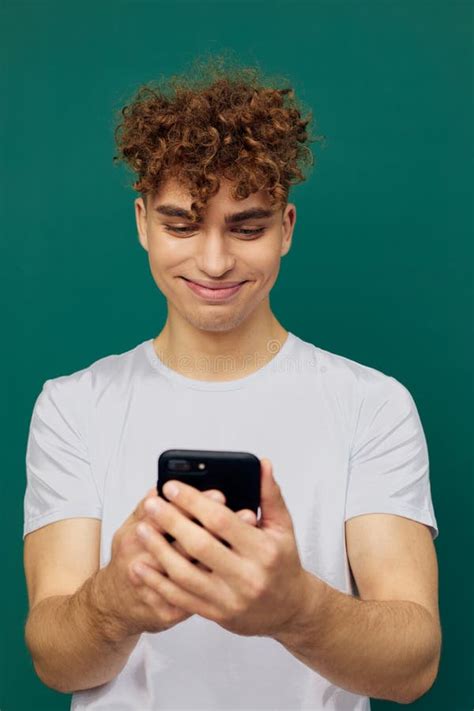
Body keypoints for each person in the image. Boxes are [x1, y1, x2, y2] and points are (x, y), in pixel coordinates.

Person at [23, 55, 441, 710]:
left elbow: (415, 661)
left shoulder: (373, 404)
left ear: (287, 229)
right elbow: (53, 656)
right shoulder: (74, 406)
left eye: (247, 227)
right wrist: (115, 601)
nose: (215, 261)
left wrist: (297, 608)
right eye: (182, 224)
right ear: (141, 223)